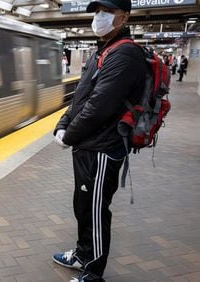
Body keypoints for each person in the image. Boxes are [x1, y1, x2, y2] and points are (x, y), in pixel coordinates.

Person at [51, 0, 147, 281]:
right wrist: (63, 123)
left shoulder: (126, 54)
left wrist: (69, 136)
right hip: (89, 146)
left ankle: (92, 273)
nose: (98, 17)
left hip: (104, 148)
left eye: (106, 12)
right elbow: (82, 96)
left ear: (124, 17)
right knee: (83, 206)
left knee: (94, 211)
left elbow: (100, 105)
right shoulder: (102, 52)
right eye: (96, 11)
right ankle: (82, 254)